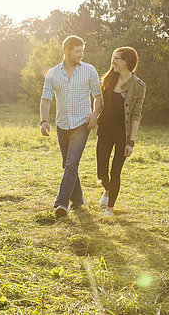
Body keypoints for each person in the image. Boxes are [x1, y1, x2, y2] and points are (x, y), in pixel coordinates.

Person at [40, 35, 102, 217]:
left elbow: (98, 95)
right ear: (67, 51)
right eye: (77, 51)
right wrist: (43, 120)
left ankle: (61, 204)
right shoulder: (52, 73)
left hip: (82, 123)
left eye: (82, 51)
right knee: (67, 165)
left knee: (72, 163)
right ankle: (78, 200)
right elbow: (45, 99)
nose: (81, 54)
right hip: (62, 124)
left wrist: (95, 114)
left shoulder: (89, 70)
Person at [96, 47, 146, 216]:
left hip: (122, 135)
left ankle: (110, 208)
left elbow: (136, 114)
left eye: (116, 58)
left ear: (126, 61)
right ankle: (108, 190)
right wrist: (93, 115)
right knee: (101, 170)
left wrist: (131, 142)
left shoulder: (138, 86)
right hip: (104, 130)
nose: (113, 61)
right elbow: (99, 103)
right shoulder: (108, 79)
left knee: (115, 171)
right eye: (113, 58)